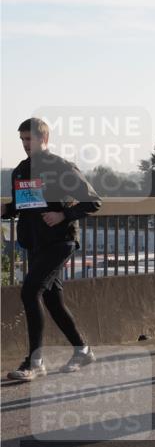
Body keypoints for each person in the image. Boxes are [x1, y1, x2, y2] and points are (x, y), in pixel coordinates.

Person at [5, 118, 102, 381]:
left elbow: (92, 201)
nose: (26, 144)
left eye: (31, 139)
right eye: (23, 140)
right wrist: (5, 210)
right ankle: (82, 350)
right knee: (52, 300)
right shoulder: (21, 170)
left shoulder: (60, 167)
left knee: (30, 290)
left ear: (44, 139)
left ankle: (35, 362)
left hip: (60, 242)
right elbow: (21, 205)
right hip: (36, 244)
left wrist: (63, 215)